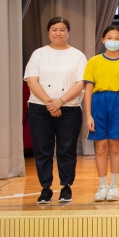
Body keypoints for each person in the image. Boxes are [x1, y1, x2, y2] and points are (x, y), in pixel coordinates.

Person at [24, 17, 88, 204]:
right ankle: (45, 188)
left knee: (66, 149)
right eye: (54, 29)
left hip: (69, 109)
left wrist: (60, 101)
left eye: (62, 30)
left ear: (68, 32)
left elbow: (81, 83)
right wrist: (50, 103)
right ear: (48, 32)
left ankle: (66, 187)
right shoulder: (39, 54)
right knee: (42, 149)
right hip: (39, 109)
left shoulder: (77, 55)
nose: (58, 33)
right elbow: (32, 81)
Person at [83, 25, 119, 202]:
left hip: (118, 104)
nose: (113, 41)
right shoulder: (94, 62)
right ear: (103, 40)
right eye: (110, 38)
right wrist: (88, 115)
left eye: (117, 38)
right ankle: (102, 186)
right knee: (100, 147)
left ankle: (114, 186)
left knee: (115, 145)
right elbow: (88, 90)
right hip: (98, 103)